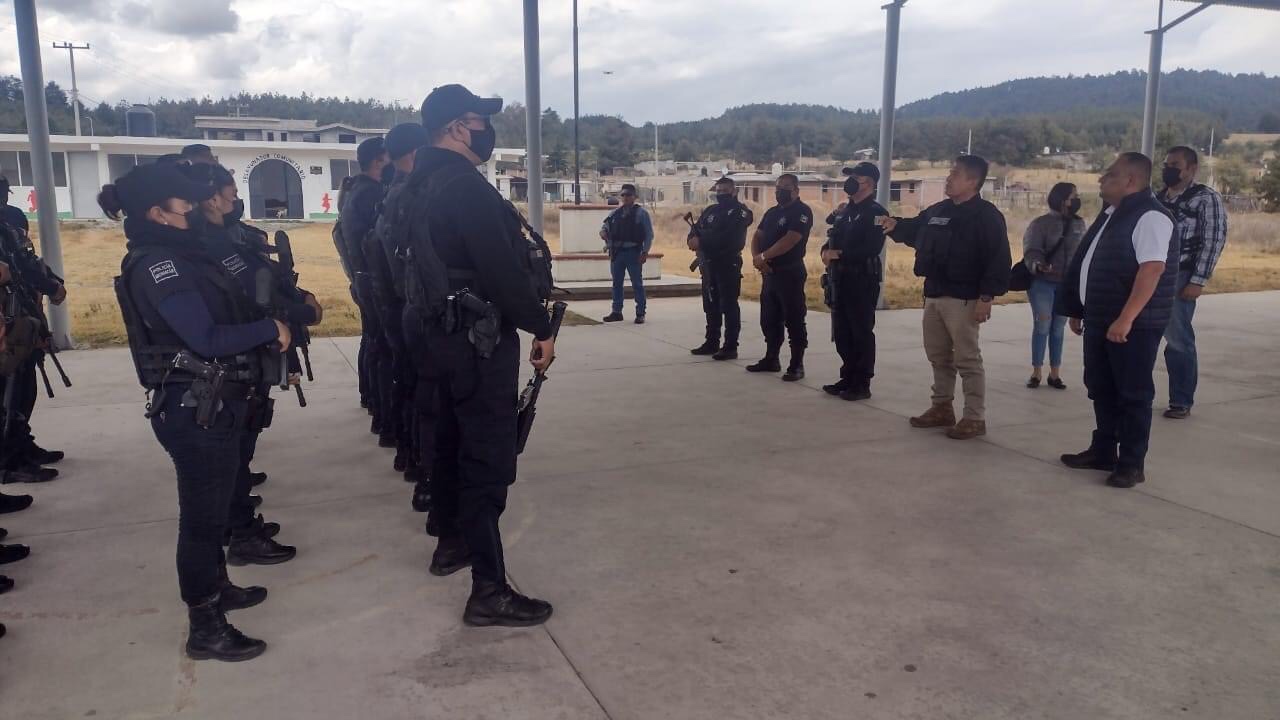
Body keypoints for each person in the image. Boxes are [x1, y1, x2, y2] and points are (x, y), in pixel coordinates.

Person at [104, 162, 292, 661]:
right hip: (194, 409)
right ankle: (205, 624)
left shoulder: (178, 255)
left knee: (212, 511)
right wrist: (269, 329)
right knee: (202, 522)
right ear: (157, 214)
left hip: (213, 404)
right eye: (180, 202)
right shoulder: (157, 266)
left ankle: (219, 587)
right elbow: (204, 338)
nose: (191, 208)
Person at [406, 83, 555, 626]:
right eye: (478, 120)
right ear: (454, 128)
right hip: (478, 339)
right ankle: (489, 591)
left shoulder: (414, 184)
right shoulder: (464, 187)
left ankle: (451, 543)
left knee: (447, 442)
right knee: (488, 457)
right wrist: (541, 327)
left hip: (436, 336)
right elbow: (502, 269)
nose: (486, 130)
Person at [180, 162, 309, 565]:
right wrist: (300, 310)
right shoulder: (211, 245)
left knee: (237, 448)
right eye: (230, 191)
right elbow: (255, 288)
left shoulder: (216, 239)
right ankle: (240, 531)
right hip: (235, 359)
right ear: (212, 198)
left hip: (238, 353)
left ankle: (234, 522)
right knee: (234, 447)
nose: (235, 196)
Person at [1058, 152, 1177, 489]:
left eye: (1110, 175)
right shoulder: (1113, 214)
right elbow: (1095, 263)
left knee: (1133, 393)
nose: (1101, 179)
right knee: (1101, 387)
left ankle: (1131, 463)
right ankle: (1103, 451)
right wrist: (1080, 309)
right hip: (1101, 317)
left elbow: (1152, 269)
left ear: (1130, 181)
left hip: (1132, 325)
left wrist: (1126, 318)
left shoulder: (1150, 217)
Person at [879, 155, 1011, 440]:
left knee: (967, 359)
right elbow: (916, 230)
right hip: (935, 293)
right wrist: (894, 225)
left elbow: (997, 259)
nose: (949, 178)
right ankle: (941, 408)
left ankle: (974, 417)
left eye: (956, 174)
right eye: (950, 172)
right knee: (938, 355)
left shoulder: (986, 216)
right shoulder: (938, 210)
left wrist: (986, 297)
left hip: (965, 297)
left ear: (973, 181)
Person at [379, 122, 434, 491]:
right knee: (425, 394)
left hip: (397, 304)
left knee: (409, 384)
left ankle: (409, 454)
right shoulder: (412, 196)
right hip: (415, 306)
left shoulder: (391, 194)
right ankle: (424, 473)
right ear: (417, 153)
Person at [1158, 146, 1228, 420]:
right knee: (1146, 335)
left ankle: (1181, 399)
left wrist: (1198, 280)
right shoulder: (1157, 197)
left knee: (1178, 340)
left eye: (1175, 164)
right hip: (1153, 274)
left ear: (1191, 169)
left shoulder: (1205, 199)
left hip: (1182, 274)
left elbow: (1213, 241)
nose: (1169, 168)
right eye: (1166, 163)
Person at [0, 206, 67, 483]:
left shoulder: (7, 223)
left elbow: (24, 262)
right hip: (9, 324)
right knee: (10, 393)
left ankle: (20, 446)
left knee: (22, 389)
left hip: (20, 319)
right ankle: (9, 460)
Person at [820, 163, 888, 400]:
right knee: (842, 332)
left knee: (861, 331)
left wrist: (839, 255)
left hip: (862, 279)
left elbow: (872, 247)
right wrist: (824, 253)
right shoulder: (845, 211)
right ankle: (847, 376)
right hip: (839, 279)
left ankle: (862, 382)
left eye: (855, 178)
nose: (849, 182)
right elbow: (831, 240)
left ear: (868, 183)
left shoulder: (877, 213)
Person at [339, 138, 392, 441]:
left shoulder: (353, 190)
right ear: (378, 161)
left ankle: (370, 397)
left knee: (372, 341)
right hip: (374, 279)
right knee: (384, 348)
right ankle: (383, 416)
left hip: (362, 276)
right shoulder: (370, 194)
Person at [748, 173, 813, 381]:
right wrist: (758, 258)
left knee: (794, 318)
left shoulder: (802, 211)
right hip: (769, 273)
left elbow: (791, 239)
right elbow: (757, 236)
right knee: (769, 319)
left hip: (790, 272)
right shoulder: (772, 212)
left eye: (784, 187)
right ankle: (771, 358)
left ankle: (797, 365)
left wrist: (764, 256)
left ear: (795, 190)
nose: (779, 192)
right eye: (777, 187)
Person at [1021, 182, 1086, 390]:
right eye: (1073, 196)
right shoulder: (1040, 224)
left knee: (1058, 329)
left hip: (1065, 285)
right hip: (1042, 284)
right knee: (1042, 325)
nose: (1076, 200)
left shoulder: (1079, 224)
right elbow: (1031, 250)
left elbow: (1081, 255)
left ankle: (1055, 373)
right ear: (1061, 199)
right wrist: (1038, 266)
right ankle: (1036, 372)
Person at [688, 177, 753, 360]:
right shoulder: (710, 210)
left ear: (734, 191)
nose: (721, 194)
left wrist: (703, 239)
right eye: (718, 191)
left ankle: (730, 346)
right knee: (711, 304)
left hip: (727, 263)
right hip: (708, 264)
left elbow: (730, 237)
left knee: (728, 305)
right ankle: (711, 342)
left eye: (725, 191)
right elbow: (695, 230)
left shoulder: (740, 212)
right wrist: (693, 240)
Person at [600, 183, 654, 324]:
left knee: (637, 284)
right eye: (623, 195)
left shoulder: (642, 214)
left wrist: (645, 252)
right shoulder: (614, 213)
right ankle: (616, 311)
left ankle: (640, 312)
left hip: (633, 252)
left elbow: (649, 235)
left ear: (634, 197)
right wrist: (603, 233)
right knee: (616, 284)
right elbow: (604, 227)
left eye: (628, 195)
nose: (625, 197)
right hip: (617, 253)